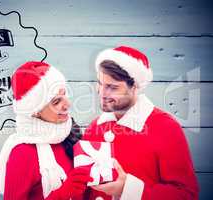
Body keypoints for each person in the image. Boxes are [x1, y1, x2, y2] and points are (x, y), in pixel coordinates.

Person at [82, 46, 199, 200]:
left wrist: (128, 190)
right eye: (100, 83)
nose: (102, 93)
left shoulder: (166, 127)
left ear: (134, 87)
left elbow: (186, 194)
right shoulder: (95, 127)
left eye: (112, 87)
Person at [0, 61, 92, 200]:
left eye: (64, 94)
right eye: (56, 101)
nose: (67, 104)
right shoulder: (22, 153)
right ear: (35, 112)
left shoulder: (70, 134)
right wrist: (64, 193)